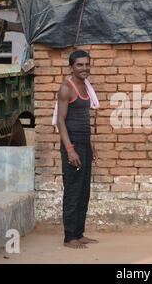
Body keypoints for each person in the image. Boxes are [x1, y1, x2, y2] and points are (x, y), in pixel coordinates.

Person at [56, 50, 99, 249]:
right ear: (71, 66)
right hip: (72, 144)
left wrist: (90, 144)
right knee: (73, 191)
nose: (84, 68)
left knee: (84, 191)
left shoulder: (86, 86)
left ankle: (79, 233)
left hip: (84, 143)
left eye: (87, 64)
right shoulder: (67, 88)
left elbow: (83, 118)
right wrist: (70, 149)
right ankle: (69, 237)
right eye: (80, 65)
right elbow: (60, 121)